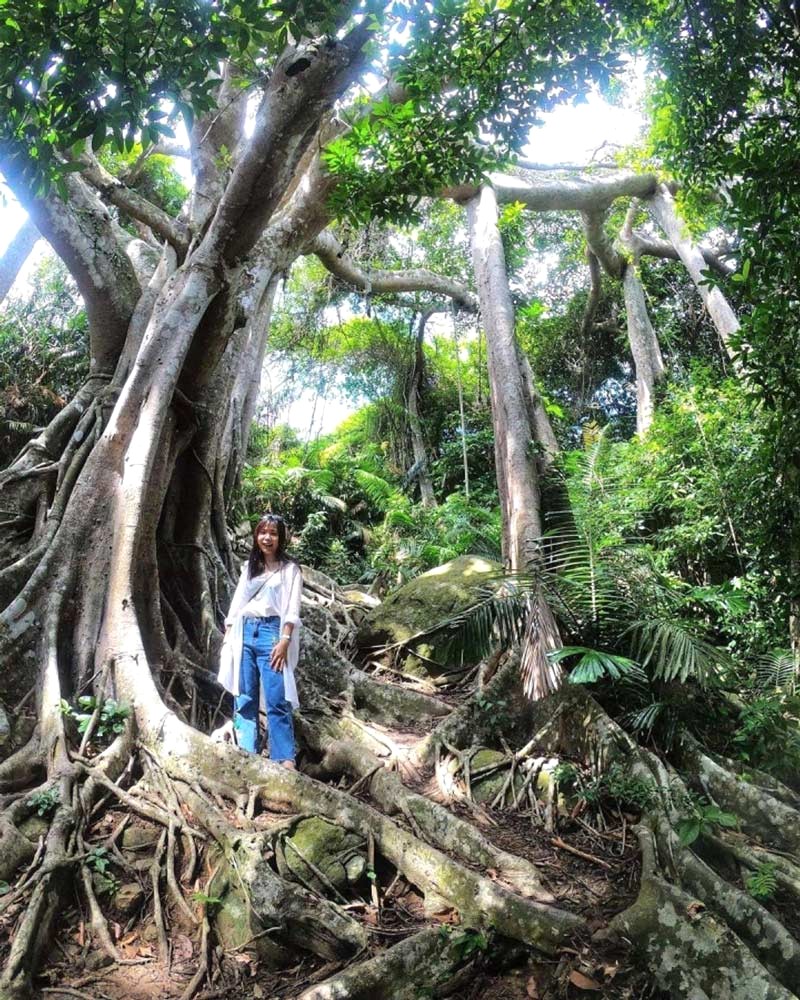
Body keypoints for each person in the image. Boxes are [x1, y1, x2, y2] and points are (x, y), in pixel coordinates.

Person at [217, 514, 303, 768]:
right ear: (256, 536)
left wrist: (285, 639)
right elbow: (237, 603)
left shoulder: (290, 570)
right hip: (245, 633)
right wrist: (230, 632)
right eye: (263, 532)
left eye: (273, 533)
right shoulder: (249, 568)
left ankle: (284, 757)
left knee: (277, 698)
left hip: (272, 634)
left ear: (281, 538)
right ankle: (247, 754)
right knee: (245, 697)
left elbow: (292, 608)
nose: (267, 537)